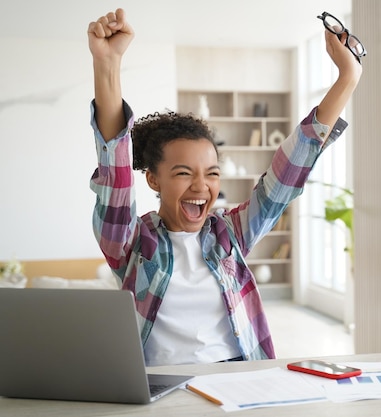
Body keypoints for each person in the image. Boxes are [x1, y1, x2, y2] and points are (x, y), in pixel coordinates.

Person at [87, 8, 362, 365]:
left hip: (237, 377)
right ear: (153, 179)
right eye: (184, 173)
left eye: (212, 173)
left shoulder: (228, 235)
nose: (201, 186)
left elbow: (285, 176)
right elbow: (115, 178)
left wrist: (348, 78)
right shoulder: (131, 244)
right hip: (160, 386)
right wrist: (107, 64)